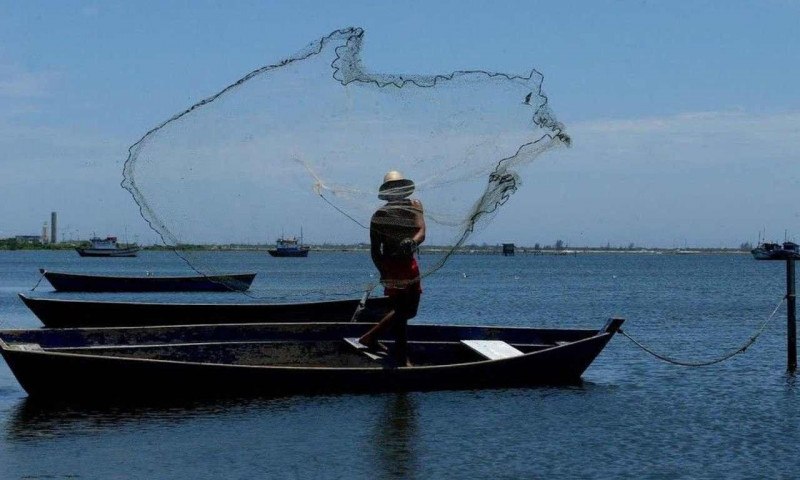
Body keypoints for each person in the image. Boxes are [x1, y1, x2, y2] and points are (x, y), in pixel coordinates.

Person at [358, 170, 426, 366]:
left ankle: (373, 338)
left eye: (399, 188)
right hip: (392, 266)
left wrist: (411, 242)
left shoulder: (415, 206)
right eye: (393, 189)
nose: (397, 191)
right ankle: (400, 356)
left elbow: (421, 231)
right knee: (402, 312)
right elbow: (375, 250)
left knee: (409, 311)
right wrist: (382, 271)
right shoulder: (380, 215)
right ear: (388, 192)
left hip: (410, 265)